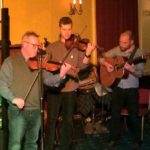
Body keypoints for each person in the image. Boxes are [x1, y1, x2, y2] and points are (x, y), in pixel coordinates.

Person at [0, 31, 72, 150]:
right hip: (18, 112)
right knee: (15, 145)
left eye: (38, 46)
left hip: (36, 111)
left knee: (32, 144)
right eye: (35, 45)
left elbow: (49, 80)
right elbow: (1, 84)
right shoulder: (10, 61)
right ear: (25, 44)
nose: (37, 49)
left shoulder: (39, 62)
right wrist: (13, 99)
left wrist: (62, 75)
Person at [44, 16, 95, 150]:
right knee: (51, 121)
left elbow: (82, 66)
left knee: (68, 122)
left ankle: (65, 147)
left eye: (69, 29)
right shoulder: (52, 47)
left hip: (71, 89)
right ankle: (48, 147)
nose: (67, 32)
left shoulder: (76, 47)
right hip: (55, 91)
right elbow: (45, 65)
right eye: (64, 29)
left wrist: (88, 54)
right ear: (59, 29)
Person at [99, 30, 145, 150]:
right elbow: (101, 58)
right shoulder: (117, 49)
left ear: (131, 42)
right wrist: (106, 64)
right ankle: (113, 139)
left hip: (131, 90)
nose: (121, 45)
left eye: (124, 43)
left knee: (134, 116)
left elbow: (140, 74)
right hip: (118, 88)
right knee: (114, 115)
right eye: (120, 42)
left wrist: (132, 69)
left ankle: (137, 141)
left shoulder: (139, 53)